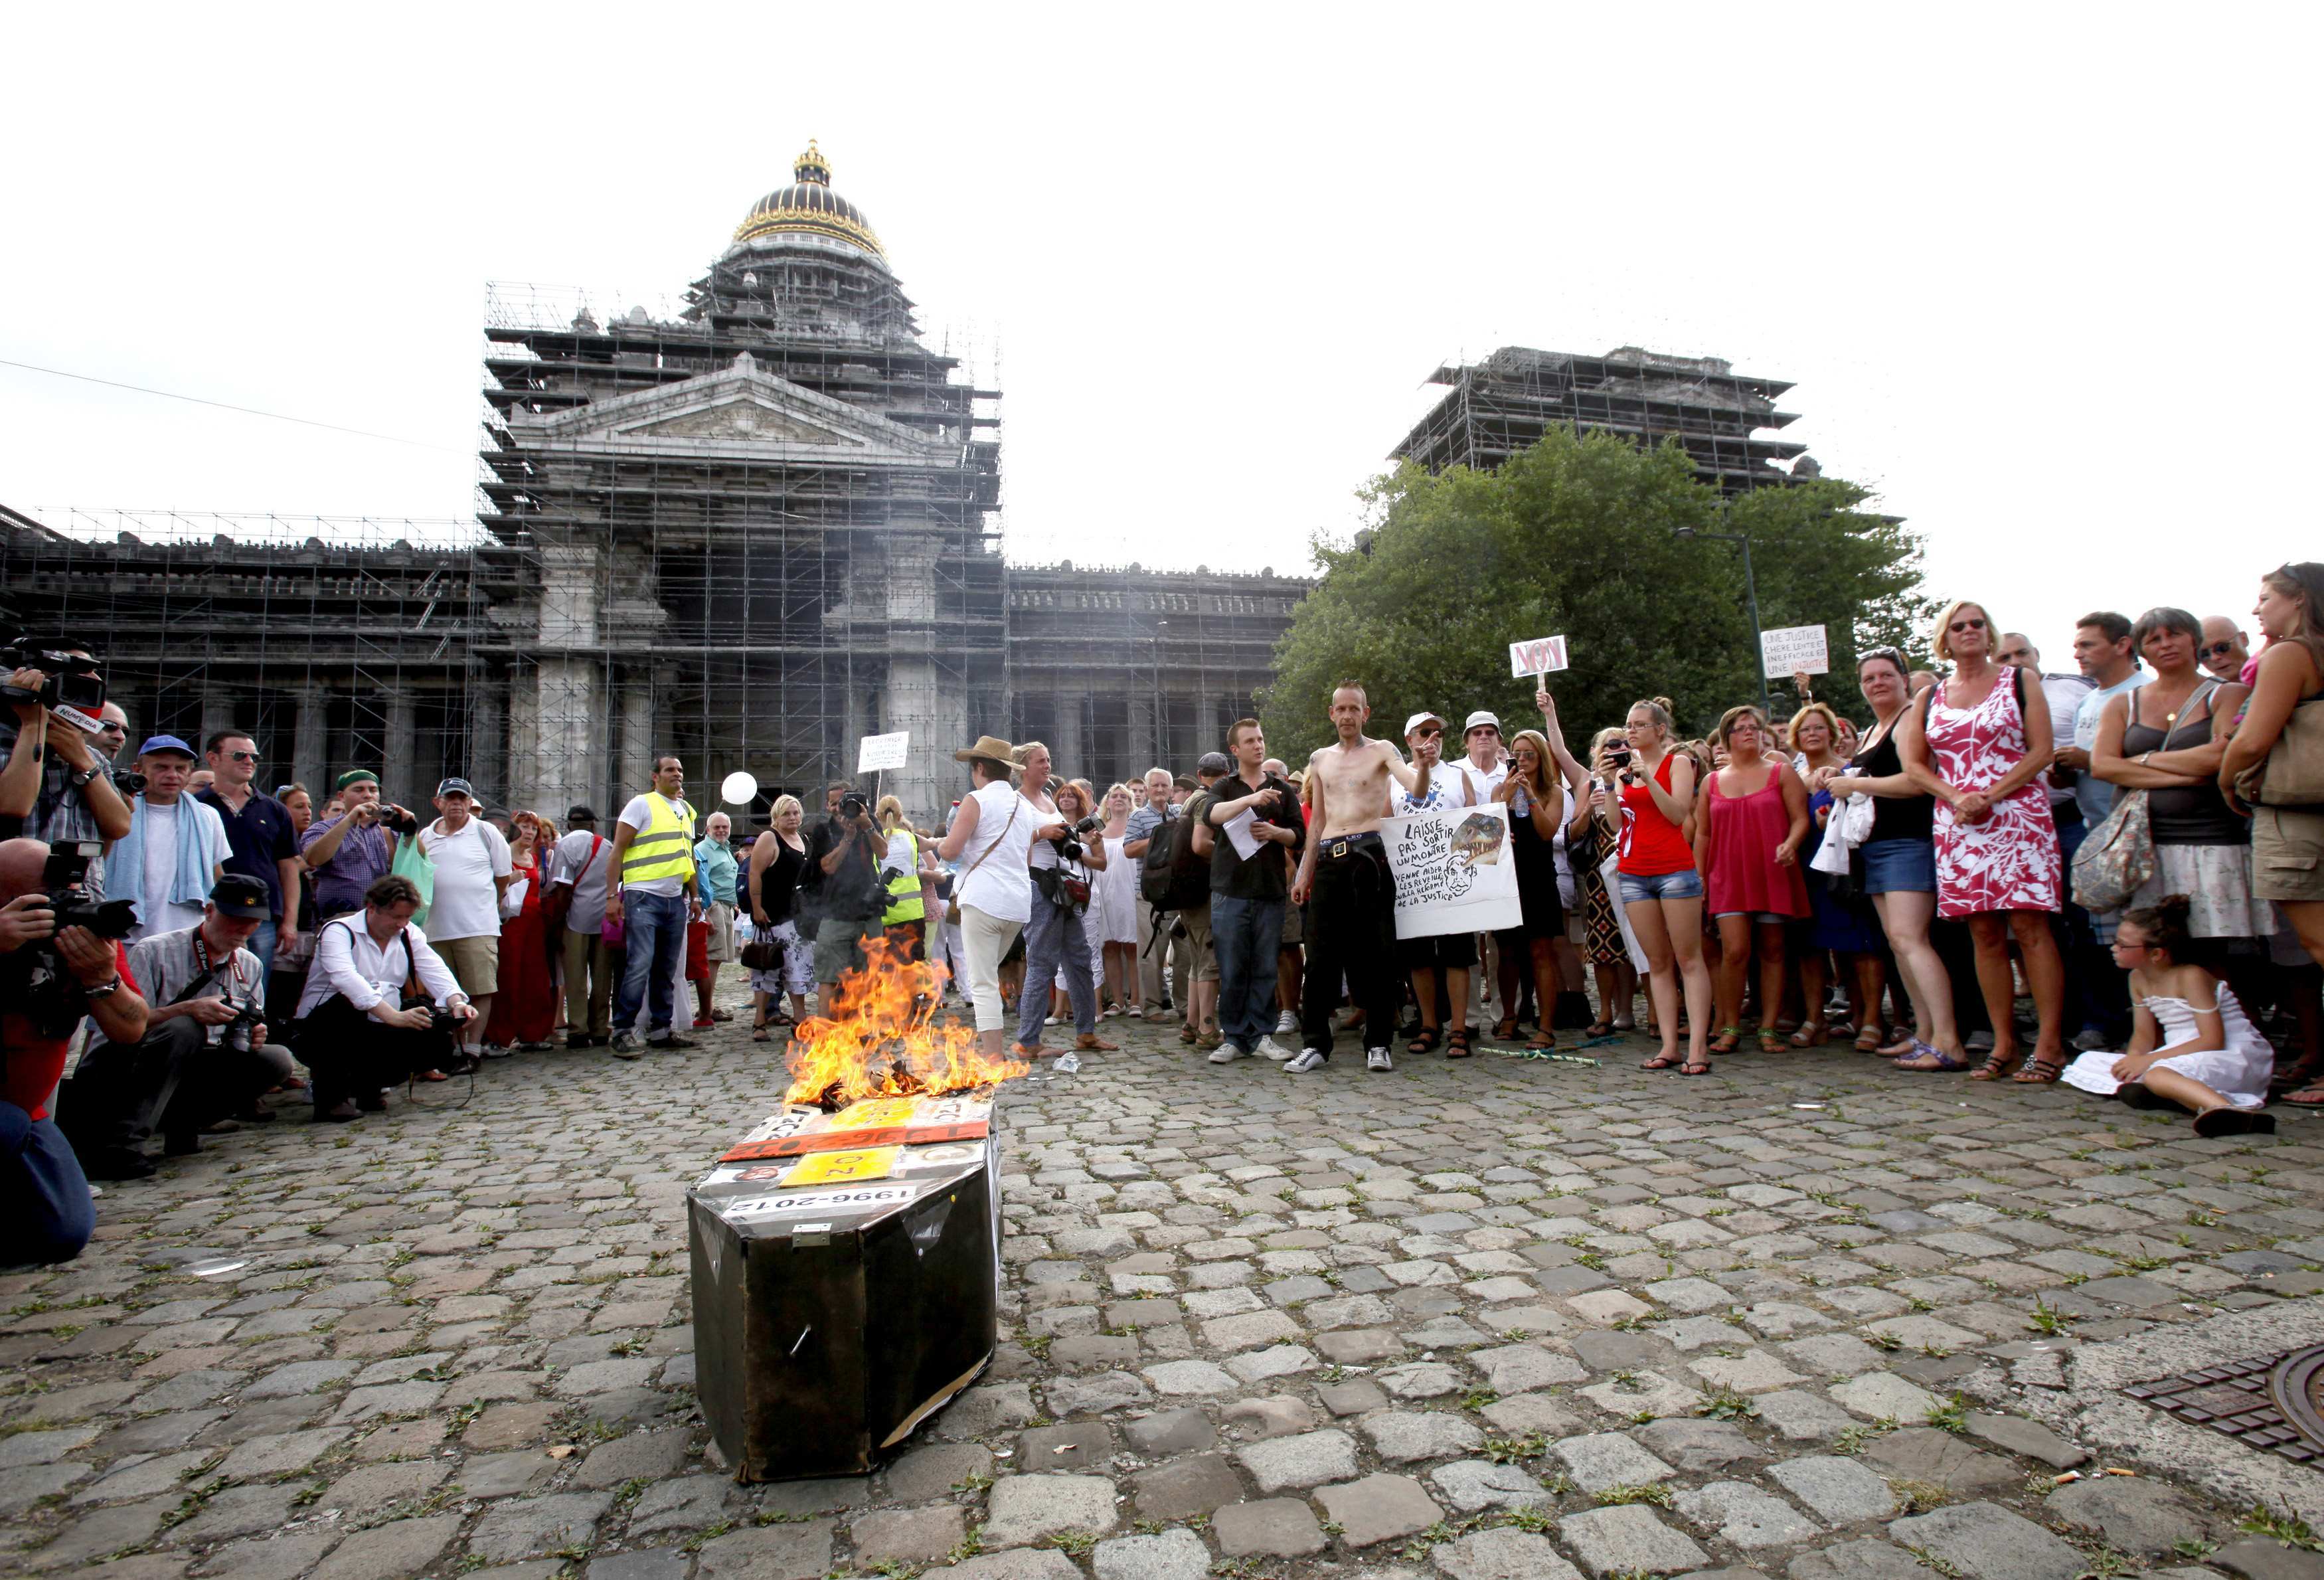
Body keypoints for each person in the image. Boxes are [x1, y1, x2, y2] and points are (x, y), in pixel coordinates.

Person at [1899, 599, 2068, 1083]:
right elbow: (1915, 764)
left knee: (2031, 929)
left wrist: (1991, 793)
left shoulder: (2019, 681)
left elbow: (2042, 750)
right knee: (1984, 933)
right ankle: (2004, 1043)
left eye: (1977, 623)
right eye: (1958, 625)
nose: (1969, 630)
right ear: (1944, 638)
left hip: (2017, 813)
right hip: (1959, 822)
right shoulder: (1931, 696)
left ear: (1988, 632)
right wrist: (1956, 796)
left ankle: (2050, 1045)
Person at [62, 875, 293, 1178]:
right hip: (127, 1064)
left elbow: (251, 1023)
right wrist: (189, 1009)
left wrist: (254, 1034)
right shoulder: (154, 950)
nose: (242, 929)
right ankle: (121, 1146)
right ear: (209, 911)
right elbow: (122, 1027)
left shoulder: (249, 964)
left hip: (196, 1064)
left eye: (252, 921)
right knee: (184, 1028)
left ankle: (186, 1124)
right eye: (234, 918)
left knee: (276, 1059)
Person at [0, 837, 147, 1264]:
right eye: (40, 897)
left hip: (27, 1111)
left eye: (64, 895)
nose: (56, 907)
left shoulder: (81, 936)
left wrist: (101, 978)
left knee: (62, 1233)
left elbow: (131, 1028)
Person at [1826, 650, 1965, 1067]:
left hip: (1908, 840)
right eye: (1869, 678)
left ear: (1904, 680)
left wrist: (1853, 784)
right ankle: (1924, 1034)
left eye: (1886, 675)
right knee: (1898, 944)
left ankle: (1948, 1040)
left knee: (1912, 940)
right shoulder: (1872, 729)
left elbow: (1916, 782)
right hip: (1875, 845)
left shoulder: (1908, 720)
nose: (1877, 683)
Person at [2093, 606, 2264, 940]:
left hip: (2214, 842)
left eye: (2175, 635)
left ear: (2194, 641)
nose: (2165, 644)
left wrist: (2139, 761)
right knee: (2158, 950)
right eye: (2154, 639)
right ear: (2142, 651)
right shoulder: (2123, 705)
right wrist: (2187, 774)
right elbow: (2102, 766)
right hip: (2144, 850)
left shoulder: (2227, 693)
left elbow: (2219, 758)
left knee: (2224, 954)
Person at [2221, 563, 2324, 1102]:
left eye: (2265, 598)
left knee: (2318, 941)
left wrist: (2226, 778)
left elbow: (2252, 739)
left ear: (2299, 599)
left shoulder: (2291, 653)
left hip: (2298, 814)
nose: (2258, 609)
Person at [1287, 683, 1426, 1073]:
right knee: (1318, 959)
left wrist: (1424, 762)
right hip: (1330, 861)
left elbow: (1415, 788)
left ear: (1366, 713)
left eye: (1355, 709)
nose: (1347, 715)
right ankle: (1315, 1043)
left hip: (1370, 858)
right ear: (1331, 714)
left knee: (1378, 955)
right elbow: (1317, 824)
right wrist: (1304, 873)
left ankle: (1378, 1041)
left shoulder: (1382, 749)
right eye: (1341, 709)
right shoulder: (1319, 759)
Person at [2059, 896, 2276, 1136]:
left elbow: (2212, 1040)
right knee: (2087, 1062)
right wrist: (2132, 1061)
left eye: (2122, 945)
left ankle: (2223, 1109)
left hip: (2228, 1053)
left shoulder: (2191, 976)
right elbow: (2143, 1034)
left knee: (2157, 1073)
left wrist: (2147, 1063)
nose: (2114, 949)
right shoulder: (2137, 978)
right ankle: (2171, 1093)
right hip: (2180, 1053)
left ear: (2156, 954)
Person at [295, 873, 478, 1120]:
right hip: (323, 1027)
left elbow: (434, 968)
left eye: (407, 917)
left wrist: (457, 1002)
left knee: (434, 1032)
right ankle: (331, 1098)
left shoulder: (408, 933)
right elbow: (346, 978)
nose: (403, 924)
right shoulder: (338, 931)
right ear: (372, 907)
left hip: (380, 1024)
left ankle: (368, 1086)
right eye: (396, 917)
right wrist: (393, 1017)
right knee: (347, 1008)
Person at [1695, 706, 1810, 1054]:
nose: (1749, 732)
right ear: (1727, 736)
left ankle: (1768, 1028)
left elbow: (1800, 819)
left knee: (1774, 950)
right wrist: (1699, 876)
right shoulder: (1711, 781)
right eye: (1740, 728)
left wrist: (1791, 843)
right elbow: (1703, 833)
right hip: (1727, 874)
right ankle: (1729, 1025)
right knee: (1735, 950)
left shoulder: (1782, 773)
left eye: (1754, 727)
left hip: (1771, 869)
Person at [1612, 699, 1714, 1075]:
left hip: (1674, 869)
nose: (1632, 730)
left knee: (1689, 958)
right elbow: (1615, 824)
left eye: (1640, 724)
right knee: (1657, 962)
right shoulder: (1627, 771)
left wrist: (1649, 777)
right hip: (1635, 871)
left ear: (1659, 730)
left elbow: (1676, 815)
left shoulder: (1680, 762)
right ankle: (1670, 1044)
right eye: (1629, 724)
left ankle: (1699, 1046)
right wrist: (1610, 785)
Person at [1203, 719, 1305, 1065]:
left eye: (1261, 739)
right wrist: (1252, 798)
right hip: (1229, 890)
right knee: (1232, 966)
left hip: (1270, 890)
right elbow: (1211, 815)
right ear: (1235, 750)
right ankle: (1234, 1037)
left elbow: (1300, 835)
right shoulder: (1225, 786)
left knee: (1265, 965)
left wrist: (1276, 835)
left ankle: (1262, 1035)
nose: (1258, 746)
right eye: (1250, 741)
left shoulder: (1283, 788)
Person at [1790, 702, 1887, 1050]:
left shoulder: (1851, 770)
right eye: (1805, 729)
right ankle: (1815, 1018)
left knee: (1860, 945)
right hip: (1806, 868)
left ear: (1832, 733)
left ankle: (1871, 1019)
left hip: (1845, 869)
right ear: (1796, 738)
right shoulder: (1792, 777)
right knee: (1811, 948)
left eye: (1818, 728)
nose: (1812, 734)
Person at [938, 736, 1040, 1059]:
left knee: (981, 981)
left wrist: (936, 846)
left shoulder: (975, 800)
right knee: (987, 971)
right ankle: (994, 1049)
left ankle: (994, 1056)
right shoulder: (1024, 806)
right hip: (1018, 903)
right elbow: (1026, 858)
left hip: (984, 900)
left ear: (980, 768)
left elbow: (952, 850)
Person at [0, 653, 134, 895]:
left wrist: (82, 760)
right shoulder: (5, 746)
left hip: (82, 894)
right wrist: (34, 726)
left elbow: (120, 826)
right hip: (17, 896)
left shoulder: (94, 757)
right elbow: (14, 805)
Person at [1011, 744, 1115, 1057]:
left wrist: (1082, 840)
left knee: (1080, 960)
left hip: (1065, 887)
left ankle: (1086, 1033)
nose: (1047, 765)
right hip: (1040, 887)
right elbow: (1008, 842)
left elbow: (1061, 839)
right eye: (1041, 761)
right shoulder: (1015, 803)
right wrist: (1040, 833)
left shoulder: (1047, 800)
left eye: (1048, 760)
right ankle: (1028, 1041)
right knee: (1042, 962)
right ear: (1023, 768)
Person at [605, 755, 704, 1057]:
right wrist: (612, 895)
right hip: (642, 896)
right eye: (671, 770)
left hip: (675, 899)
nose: (677, 774)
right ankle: (622, 1031)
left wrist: (695, 896)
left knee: (666, 968)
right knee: (640, 963)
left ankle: (661, 1029)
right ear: (655, 776)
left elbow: (688, 858)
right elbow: (618, 850)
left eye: (681, 770)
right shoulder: (641, 804)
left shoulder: (686, 810)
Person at [1394, 710, 1475, 1057]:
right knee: (1420, 959)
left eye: (1439, 733)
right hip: (1414, 881)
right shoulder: (1392, 778)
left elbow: (1478, 821)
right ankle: (1429, 1024)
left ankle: (1459, 1028)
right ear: (1409, 740)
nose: (1433, 738)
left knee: (1457, 956)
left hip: (1453, 878)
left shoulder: (1459, 775)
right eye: (1425, 732)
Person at [416, 778, 513, 1063]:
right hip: (435, 928)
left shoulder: (487, 832)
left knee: (480, 988)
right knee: (446, 992)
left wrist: (487, 905)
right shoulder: (426, 836)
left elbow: (502, 876)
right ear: (438, 803)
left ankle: (472, 1049)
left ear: (470, 803)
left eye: (462, 799)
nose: (456, 803)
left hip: (477, 925)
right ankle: (454, 1048)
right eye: (450, 798)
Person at [195, 732, 302, 979]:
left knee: (254, 985)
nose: (249, 761)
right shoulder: (195, 806)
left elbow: (288, 869)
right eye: (239, 755)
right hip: (210, 912)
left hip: (261, 915)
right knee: (204, 978)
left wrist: (289, 921)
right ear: (213, 758)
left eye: (254, 756)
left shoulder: (275, 810)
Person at [1491, 727, 1570, 1053]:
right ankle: (1508, 1017)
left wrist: (1531, 797)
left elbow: (1546, 832)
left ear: (1541, 758)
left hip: (1539, 877)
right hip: (1508, 877)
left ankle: (1547, 1025)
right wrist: (1506, 797)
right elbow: (1487, 831)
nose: (1522, 760)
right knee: (1507, 951)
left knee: (1541, 952)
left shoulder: (1554, 792)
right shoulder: (1501, 788)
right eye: (1517, 754)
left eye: (1529, 754)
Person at [114, 736, 232, 943]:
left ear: (189, 774)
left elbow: (217, 875)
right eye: (161, 767)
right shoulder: (117, 811)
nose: (172, 775)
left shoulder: (207, 816)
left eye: (180, 768)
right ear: (139, 769)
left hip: (185, 933)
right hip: (126, 932)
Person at [1570, 729, 1639, 1036]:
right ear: (1597, 751)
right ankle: (1606, 1011)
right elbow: (1573, 832)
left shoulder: (1639, 777)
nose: (1620, 748)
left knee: (1632, 942)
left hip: (1635, 868)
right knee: (1602, 947)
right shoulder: (1589, 784)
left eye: (1625, 743)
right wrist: (1589, 806)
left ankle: (1628, 1010)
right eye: (1612, 744)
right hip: (1599, 876)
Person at [484, 810, 558, 1051]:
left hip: (534, 923)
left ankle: (532, 1033)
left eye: (534, 829)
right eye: (525, 827)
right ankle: (499, 1036)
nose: (530, 832)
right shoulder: (501, 855)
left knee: (535, 977)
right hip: (510, 923)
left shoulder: (536, 857)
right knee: (508, 978)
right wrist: (508, 881)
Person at [299, 771, 416, 919]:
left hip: (382, 919)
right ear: (342, 796)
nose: (368, 795)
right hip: (341, 917)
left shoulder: (388, 833)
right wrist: (350, 820)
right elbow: (313, 859)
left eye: (373, 790)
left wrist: (410, 830)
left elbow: (417, 864)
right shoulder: (323, 829)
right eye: (359, 790)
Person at [546, 805, 616, 1049]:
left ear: (568, 825)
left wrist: (556, 922)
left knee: (575, 977)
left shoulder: (565, 846)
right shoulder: (607, 846)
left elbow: (563, 888)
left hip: (576, 919)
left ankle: (578, 1029)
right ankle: (599, 1027)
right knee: (602, 976)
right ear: (593, 824)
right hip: (604, 920)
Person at [811, 789, 888, 1002]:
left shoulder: (868, 822)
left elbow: (883, 852)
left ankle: (863, 1028)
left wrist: (867, 826)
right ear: (828, 805)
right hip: (835, 911)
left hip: (868, 910)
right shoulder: (823, 830)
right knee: (829, 977)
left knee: (868, 975)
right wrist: (848, 837)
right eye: (834, 804)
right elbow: (829, 867)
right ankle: (826, 1030)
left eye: (845, 803)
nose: (840, 809)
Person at [748, 796, 814, 1039]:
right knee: (768, 969)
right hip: (773, 916)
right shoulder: (770, 837)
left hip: (800, 917)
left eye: (796, 813)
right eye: (786, 813)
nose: (792, 817)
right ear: (776, 816)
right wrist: (757, 907)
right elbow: (755, 873)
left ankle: (799, 1018)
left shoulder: (804, 840)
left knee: (798, 969)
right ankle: (759, 1022)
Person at [1123, 766, 1180, 1019]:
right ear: (1146, 790)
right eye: (1155, 786)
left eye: (1164, 786)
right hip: (1150, 893)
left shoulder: (1181, 813)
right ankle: (1153, 1007)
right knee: (1151, 954)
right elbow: (1129, 849)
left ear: (1171, 790)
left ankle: (1187, 1006)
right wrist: (1160, 837)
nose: (1159, 790)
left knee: (1186, 953)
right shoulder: (1138, 817)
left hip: (1181, 893)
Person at [1092, 783, 1141, 1017]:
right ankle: (1117, 1001)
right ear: (1107, 802)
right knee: (1110, 947)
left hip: (1129, 891)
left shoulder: (1135, 826)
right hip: (1105, 893)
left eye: (1124, 796)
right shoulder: (1098, 828)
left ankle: (1137, 1000)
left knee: (1133, 947)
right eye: (1114, 796)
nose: (1119, 799)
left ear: (1131, 803)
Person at [692, 811, 740, 1027]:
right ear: (708, 829)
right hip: (714, 907)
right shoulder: (703, 850)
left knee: (717, 959)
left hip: (727, 907)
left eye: (725, 827)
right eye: (717, 827)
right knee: (712, 958)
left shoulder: (725, 849)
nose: (721, 830)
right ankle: (706, 1009)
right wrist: (706, 913)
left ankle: (709, 1006)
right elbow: (702, 883)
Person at [2200, 616, 2252, 683]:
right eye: (2203, 654)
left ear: (2243, 639)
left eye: (2221, 647)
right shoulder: (2203, 693)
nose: (2214, 658)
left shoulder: (2269, 673)